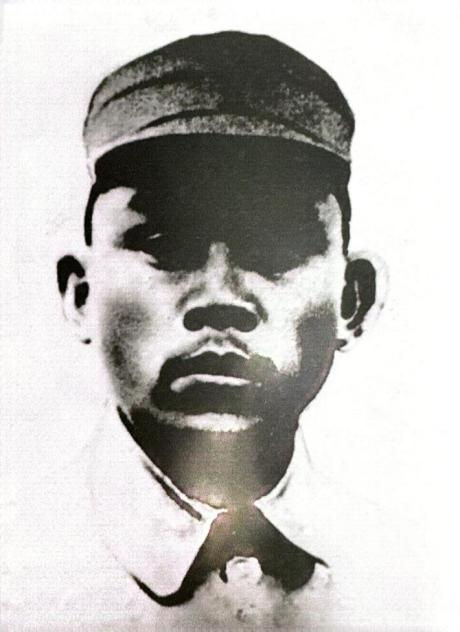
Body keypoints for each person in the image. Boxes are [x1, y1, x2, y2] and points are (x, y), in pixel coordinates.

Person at [5, 31, 423, 631]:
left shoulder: (418, 577)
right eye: (163, 242)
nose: (221, 298)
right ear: (82, 294)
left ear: (353, 300)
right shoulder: (17, 562)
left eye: (277, 246)